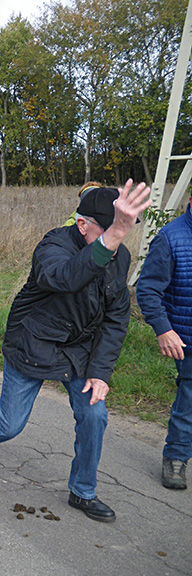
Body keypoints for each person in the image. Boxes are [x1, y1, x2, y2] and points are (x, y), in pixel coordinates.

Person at [0, 180, 151, 523]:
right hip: (34, 343)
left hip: (79, 352)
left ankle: (82, 491)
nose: (119, 239)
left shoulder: (119, 256)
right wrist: (112, 237)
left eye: (123, 231)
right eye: (112, 230)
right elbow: (64, 278)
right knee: (8, 425)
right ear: (82, 224)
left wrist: (100, 372)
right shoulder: (54, 244)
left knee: (94, 416)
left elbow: (116, 320)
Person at [136, 191, 192, 490]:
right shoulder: (170, 238)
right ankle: (176, 458)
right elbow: (147, 289)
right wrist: (163, 328)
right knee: (189, 403)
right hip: (189, 337)